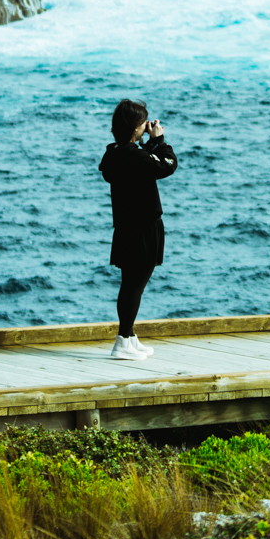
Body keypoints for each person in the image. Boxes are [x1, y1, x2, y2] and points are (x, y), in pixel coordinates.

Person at [99, 98, 177, 360]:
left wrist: (151, 143)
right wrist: (160, 140)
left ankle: (129, 337)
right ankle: (122, 341)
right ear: (134, 127)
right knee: (134, 285)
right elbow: (167, 165)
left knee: (131, 284)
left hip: (127, 226)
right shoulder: (134, 155)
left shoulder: (116, 153)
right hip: (143, 227)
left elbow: (150, 163)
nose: (147, 125)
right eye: (144, 122)